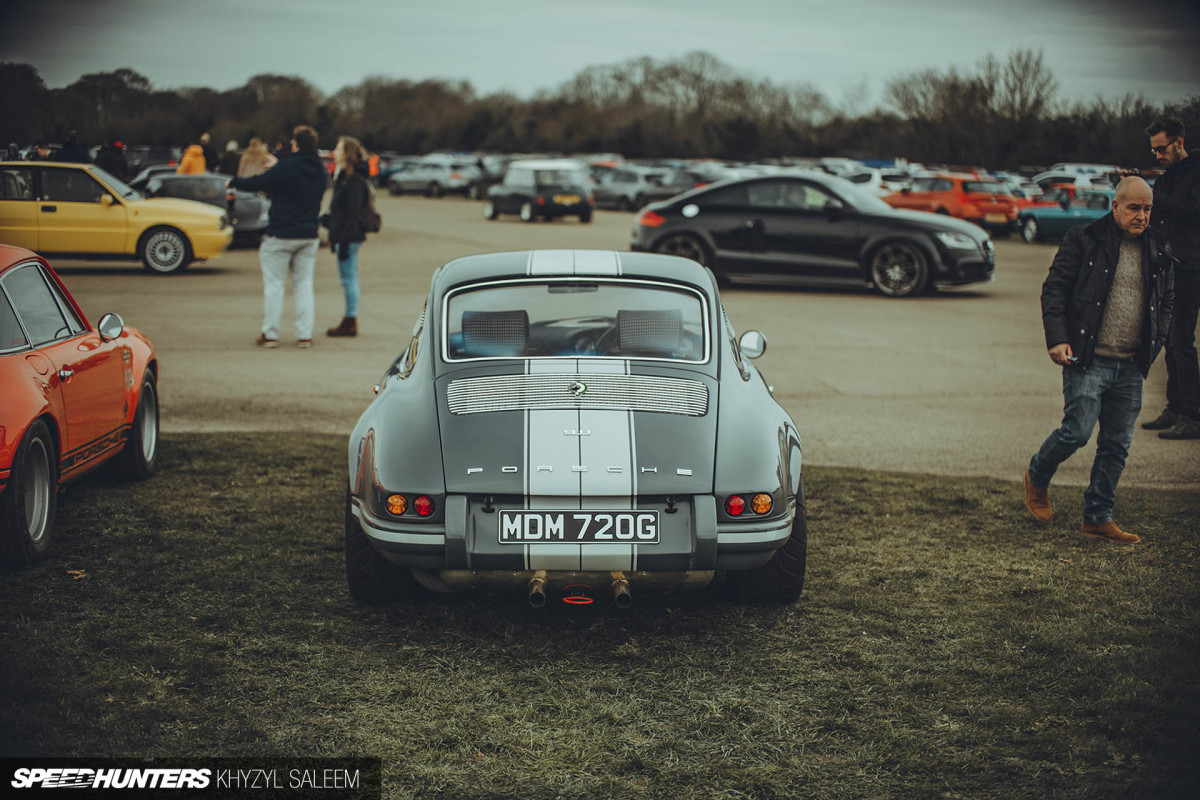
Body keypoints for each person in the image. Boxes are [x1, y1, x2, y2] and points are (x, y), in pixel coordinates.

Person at [1023, 176, 1175, 544]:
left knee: (1117, 445)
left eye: (1148, 209)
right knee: (1077, 431)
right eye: (1135, 208)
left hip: (1130, 364)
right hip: (1088, 357)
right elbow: (1054, 288)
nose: (1142, 216)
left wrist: (1152, 348)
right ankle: (1037, 476)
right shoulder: (1084, 238)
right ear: (1116, 206)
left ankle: (1097, 516)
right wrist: (1058, 339)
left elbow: (1167, 301)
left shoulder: (1158, 247)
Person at [228, 125, 328, 349]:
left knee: (274, 285)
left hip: (281, 234)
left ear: (295, 144)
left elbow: (258, 183)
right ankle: (305, 335)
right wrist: (279, 166)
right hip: (308, 234)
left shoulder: (286, 167)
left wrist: (234, 182)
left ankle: (270, 333)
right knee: (304, 285)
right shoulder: (320, 170)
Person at [1139, 117, 1200, 440]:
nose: (1158, 156)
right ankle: (1175, 407)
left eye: (1161, 149)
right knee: (1168, 343)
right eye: (1154, 151)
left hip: (1191, 268)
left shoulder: (1195, 174)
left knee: (1181, 342)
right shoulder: (1167, 178)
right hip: (1168, 266)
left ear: (1179, 142)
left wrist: (1155, 196)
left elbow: (1192, 213)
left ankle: (1193, 413)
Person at [322, 136, 371, 337]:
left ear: (347, 153)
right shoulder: (345, 176)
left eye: (338, 148)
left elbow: (352, 213)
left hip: (349, 237)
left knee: (349, 277)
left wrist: (343, 240)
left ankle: (350, 320)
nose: (334, 151)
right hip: (345, 235)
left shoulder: (354, 180)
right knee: (347, 277)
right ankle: (350, 319)